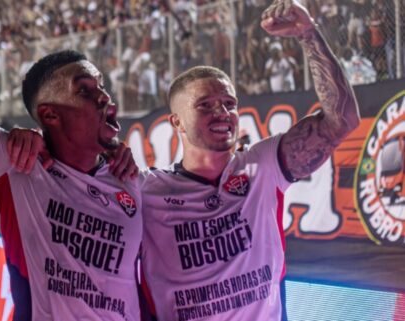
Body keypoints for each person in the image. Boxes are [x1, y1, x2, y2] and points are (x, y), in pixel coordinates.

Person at [0, 2, 141, 320]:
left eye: (101, 86)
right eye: (85, 91)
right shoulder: (18, 164)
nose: (104, 96)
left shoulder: (132, 177)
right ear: (49, 114)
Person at [139, 0, 359, 320]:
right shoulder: (147, 190)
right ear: (176, 122)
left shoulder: (262, 165)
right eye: (205, 105)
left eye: (229, 103)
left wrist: (309, 33)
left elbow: (342, 120)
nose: (223, 113)